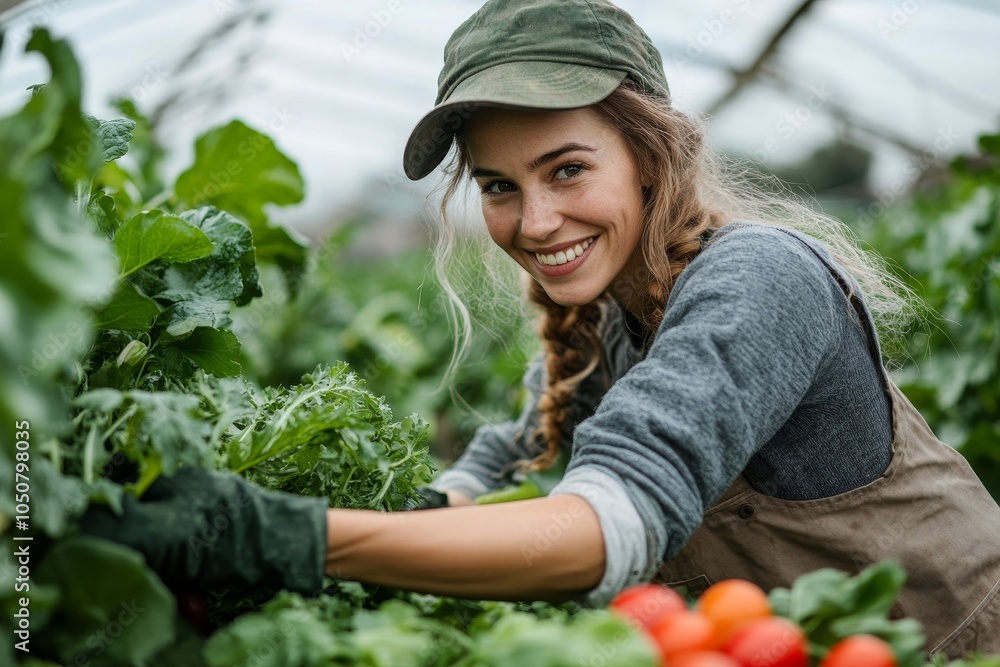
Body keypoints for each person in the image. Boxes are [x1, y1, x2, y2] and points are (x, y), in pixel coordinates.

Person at [84, 0, 1000, 658]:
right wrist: (420, 511)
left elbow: (604, 529)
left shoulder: (757, 280)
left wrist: (295, 535)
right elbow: (507, 458)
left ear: (652, 155)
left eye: (567, 169)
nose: (534, 222)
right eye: (498, 186)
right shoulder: (599, 316)